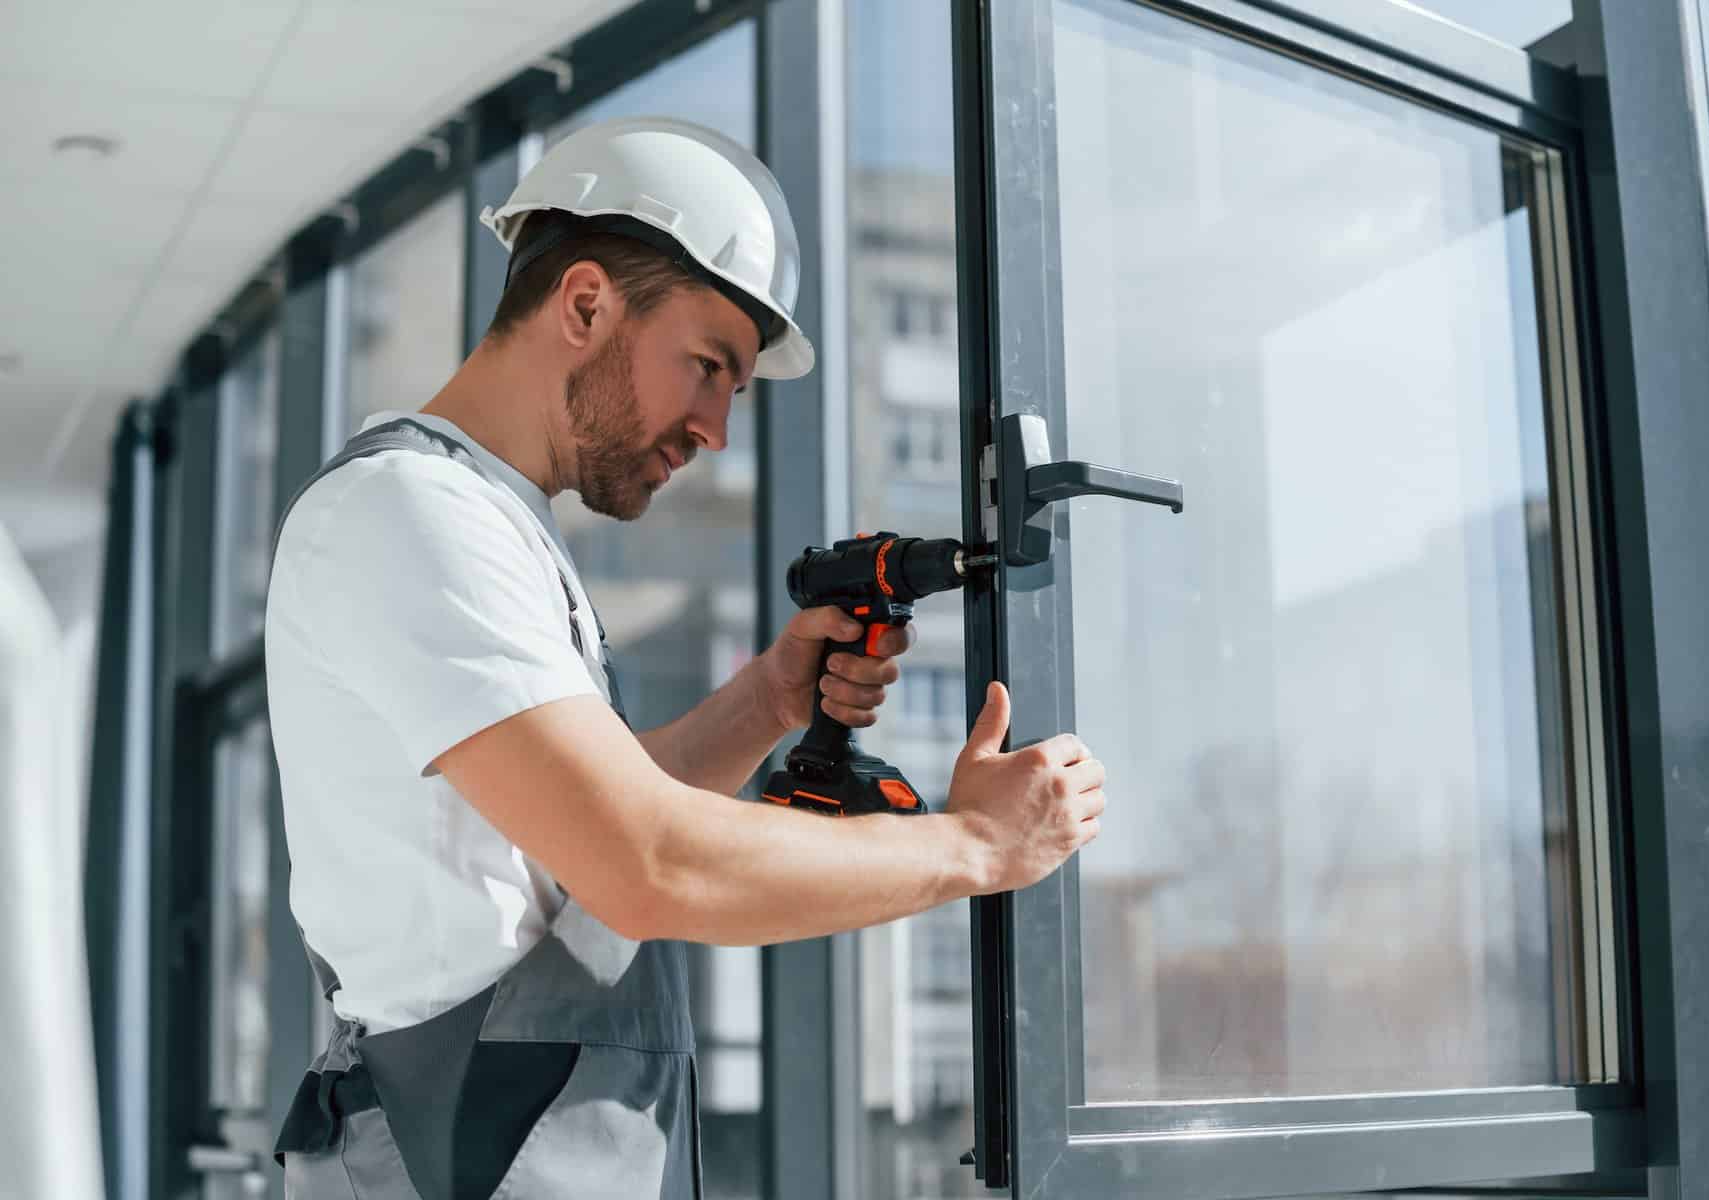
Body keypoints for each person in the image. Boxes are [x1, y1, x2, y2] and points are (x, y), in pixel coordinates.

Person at [264, 117, 1105, 1199]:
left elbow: (570, 850)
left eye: (733, 390)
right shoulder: (411, 515)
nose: (715, 428)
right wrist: (982, 846)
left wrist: (766, 700)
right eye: (706, 367)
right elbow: (643, 864)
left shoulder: (487, 522)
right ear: (583, 304)